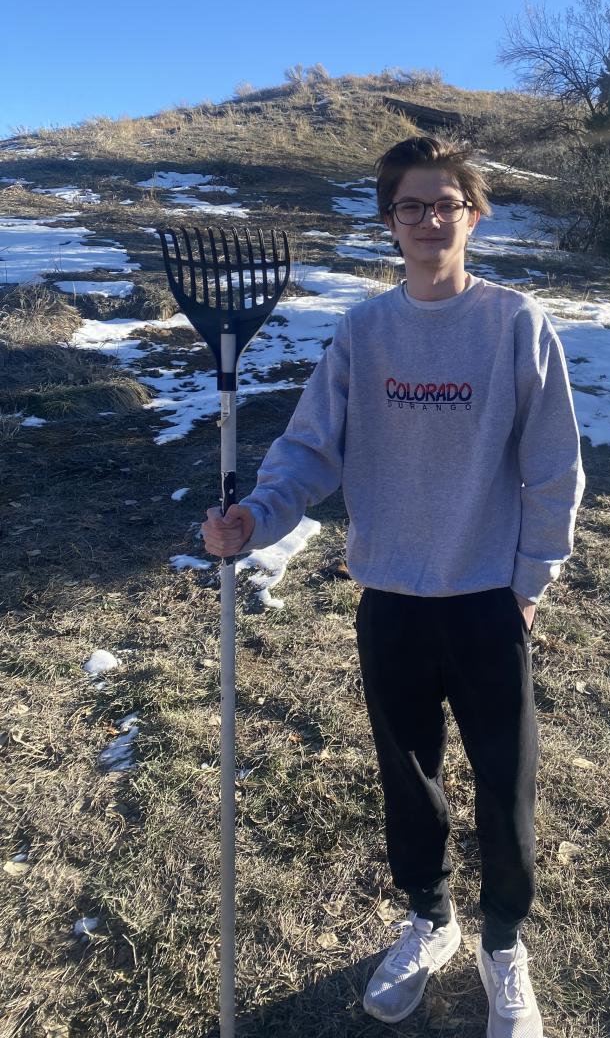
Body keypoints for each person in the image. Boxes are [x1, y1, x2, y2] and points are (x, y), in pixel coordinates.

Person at [201, 135, 585, 1036]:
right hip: (391, 602)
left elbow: (553, 466)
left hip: (489, 600)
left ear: (474, 215)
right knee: (408, 779)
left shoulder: (516, 324)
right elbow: (309, 449)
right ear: (390, 221)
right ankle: (430, 919)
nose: (428, 220)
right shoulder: (364, 332)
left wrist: (531, 580)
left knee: (507, 784)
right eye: (411, 206)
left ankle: (503, 945)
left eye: (445, 204)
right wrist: (256, 516)